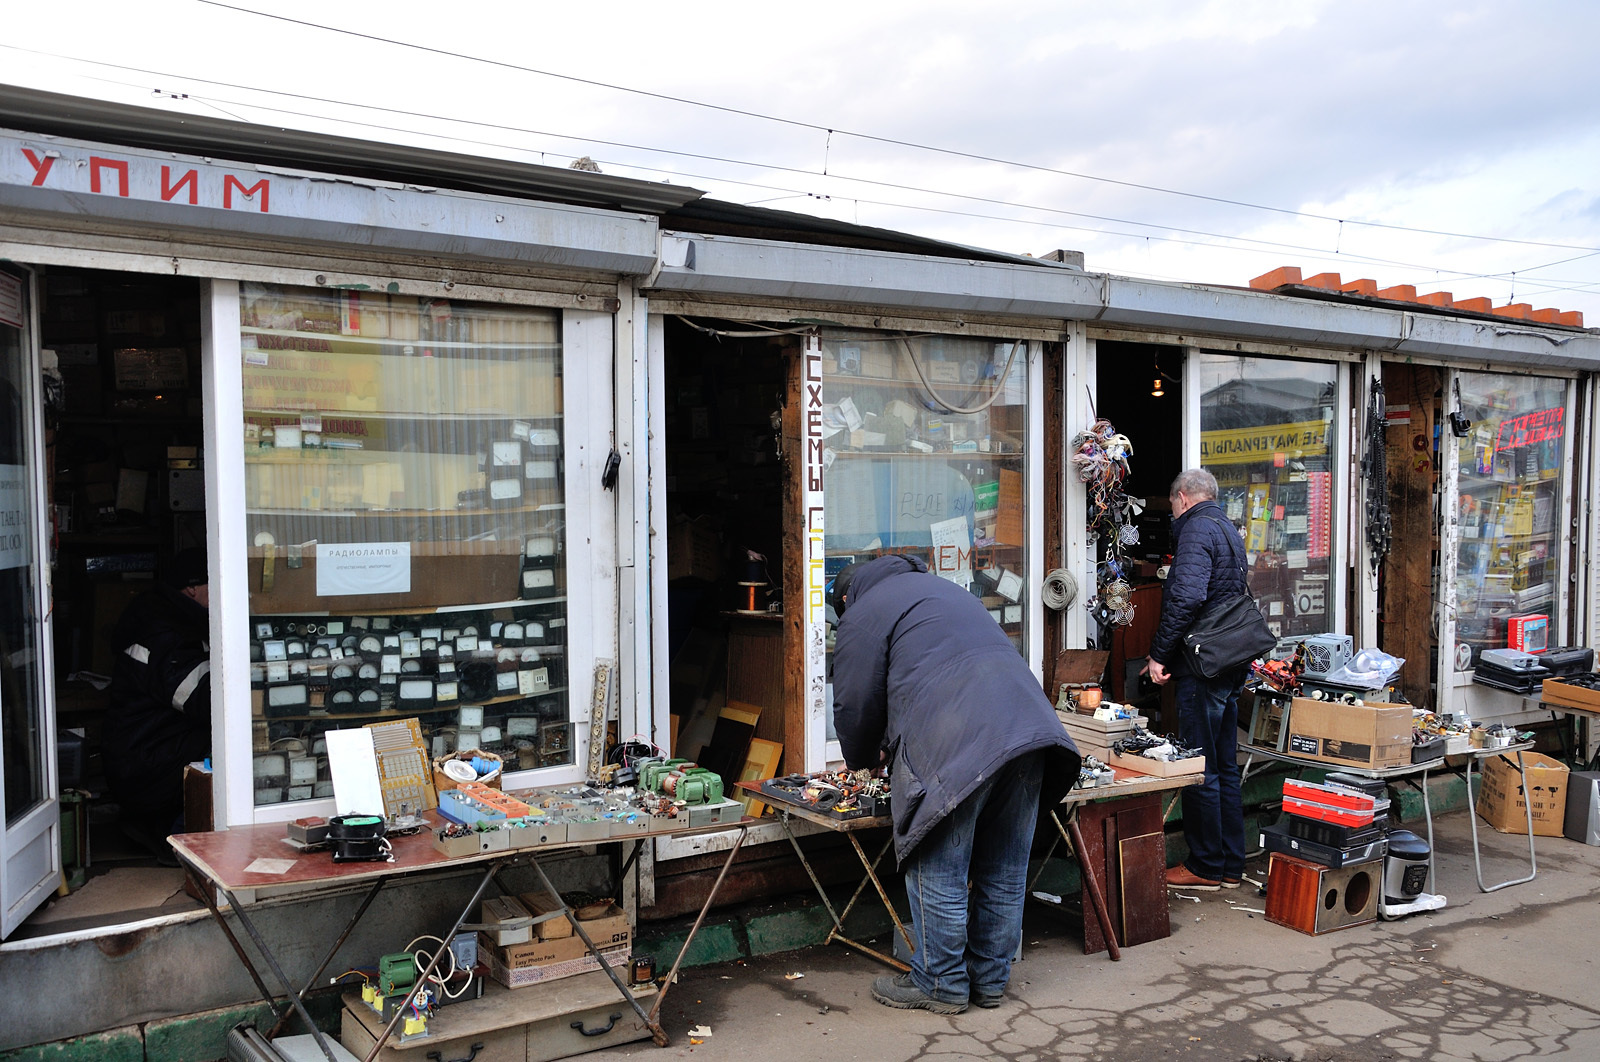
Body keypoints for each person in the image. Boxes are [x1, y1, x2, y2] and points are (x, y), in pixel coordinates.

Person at [831, 554, 1079, 1014]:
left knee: (937, 865)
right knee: (1003, 869)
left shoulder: (863, 612)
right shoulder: (946, 591)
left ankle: (941, 982)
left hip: (957, 739)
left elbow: (854, 703)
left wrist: (863, 759)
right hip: (1028, 732)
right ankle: (989, 980)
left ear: (846, 598)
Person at [1143, 468, 1248, 891]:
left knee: (1199, 767)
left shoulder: (1194, 530)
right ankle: (1229, 865)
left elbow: (1187, 595)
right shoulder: (1227, 527)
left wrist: (1159, 654)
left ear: (1182, 497)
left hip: (1202, 666)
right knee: (1223, 764)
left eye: (1171, 506)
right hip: (1229, 662)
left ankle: (1205, 865)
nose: (1172, 514)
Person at [103, 547, 212, 851]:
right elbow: (205, 701)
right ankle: (177, 839)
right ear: (192, 588)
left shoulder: (168, 617)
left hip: (145, 756)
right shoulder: (164, 633)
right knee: (229, 748)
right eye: (215, 582)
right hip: (146, 766)